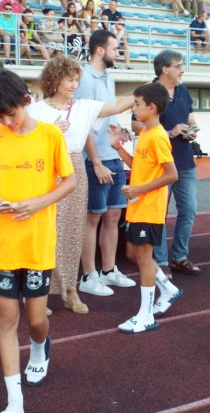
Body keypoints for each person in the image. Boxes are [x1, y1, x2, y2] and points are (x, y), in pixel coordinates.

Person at [0, 68, 76, 413]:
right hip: (3, 242)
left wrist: (38, 203)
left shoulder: (50, 135)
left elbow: (69, 182)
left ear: (26, 101)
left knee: (36, 319)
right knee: (6, 316)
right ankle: (14, 403)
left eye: (11, 113)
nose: (6, 121)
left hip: (37, 242)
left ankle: (39, 348)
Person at [28, 56, 133, 314]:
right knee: (45, 231)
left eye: (76, 79)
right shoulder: (36, 110)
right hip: (45, 170)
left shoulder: (85, 106)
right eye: (69, 79)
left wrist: (154, 87)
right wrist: (49, 132)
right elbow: (25, 146)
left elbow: (117, 106)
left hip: (74, 167)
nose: (74, 84)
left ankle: (70, 291)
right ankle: (36, 293)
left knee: (73, 230)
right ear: (54, 80)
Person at [113, 83, 181, 333]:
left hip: (149, 207)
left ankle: (145, 315)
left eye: (138, 103)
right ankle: (167, 288)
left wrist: (140, 190)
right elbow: (139, 166)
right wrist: (118, 148)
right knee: (133, 253)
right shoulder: (145, 135)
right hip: (137, 205)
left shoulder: (159, 137)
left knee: (142, 258)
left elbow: (172, 175)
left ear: (151, 108)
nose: (134, 107)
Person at [78, 30, 137, 297]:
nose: (118, 51)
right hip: (96, 160)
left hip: (112, 156)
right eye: (115, 48)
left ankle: (108, 269)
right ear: (100, 50)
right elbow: (84, 125)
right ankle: (89, 276)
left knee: (113, 215)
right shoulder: (84, 79)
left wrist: (120, 131)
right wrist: (96, 161)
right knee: (93, 217)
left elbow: (108, 115)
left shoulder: (109, 77)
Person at [133, 50, 200, 278]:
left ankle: (180, 257)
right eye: (179, 65)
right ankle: (161, 261)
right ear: (165, 69)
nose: (182, 69)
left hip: (184, 160)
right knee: (158, 215)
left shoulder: (183, 91)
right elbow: (135, 125)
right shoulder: (149, 91)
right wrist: (169, 132)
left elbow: (191, 120)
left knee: (188, 211)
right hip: (158, 166)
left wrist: (191, 132)